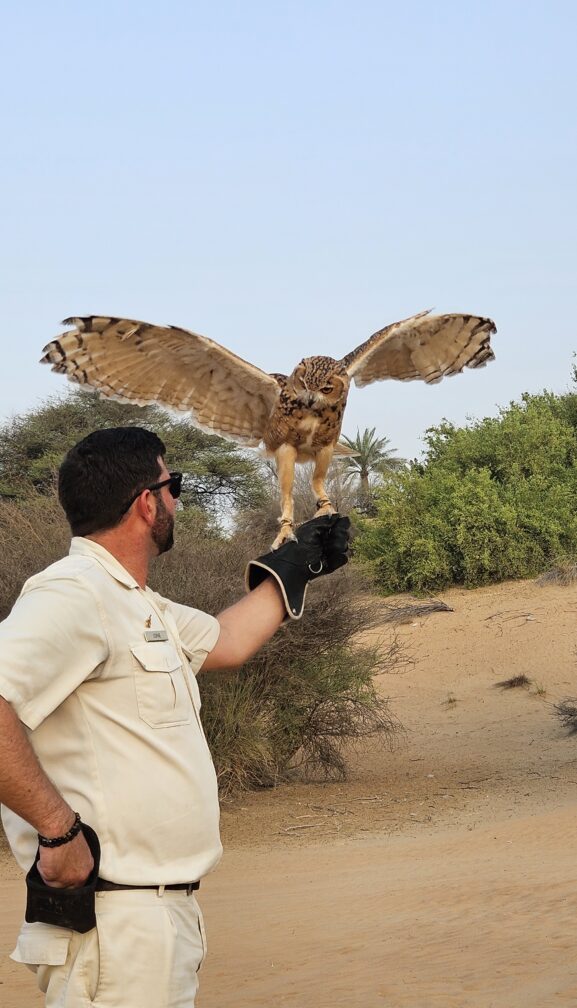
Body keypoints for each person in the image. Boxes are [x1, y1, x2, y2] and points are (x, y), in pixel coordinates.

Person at [0, 426, 349, 1008]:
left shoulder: (135, 602)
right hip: (117, 922)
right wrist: (58, 829)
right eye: (174, 485)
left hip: (157, 917)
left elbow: (228, 641)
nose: (178, 501)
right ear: (146, 502)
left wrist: (297, 561)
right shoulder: (73, 593)